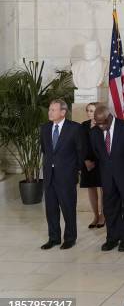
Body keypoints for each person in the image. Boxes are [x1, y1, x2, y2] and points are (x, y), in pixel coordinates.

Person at [90, 105, 124, 252]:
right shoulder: (94, 132)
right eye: (97, 123)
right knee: (109, 209)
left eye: (102, 123)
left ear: (109, 117)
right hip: (107, 177)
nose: (100, 126)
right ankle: (112, 238)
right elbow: (98, 154)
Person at [40, 99, 84, 250]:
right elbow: (45, 150)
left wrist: (74, 170)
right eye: (50, 109)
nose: (50, 112)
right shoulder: (44, 128)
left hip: (66, 176)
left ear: (63, 112)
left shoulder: (75, 128)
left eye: (53, 110)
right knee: (51, 208)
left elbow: (80, 152)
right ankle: (53, 238)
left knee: (68, 208)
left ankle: (70, 238)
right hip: (49, 175)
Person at [80, 102, 104, 229]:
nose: (91, 113)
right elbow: (80, 145)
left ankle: (103, 215)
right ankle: (95, 215)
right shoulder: (83, 125)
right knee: (91, 188)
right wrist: (85, 160)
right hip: (87, 162)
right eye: (88, 110)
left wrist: (96, 160)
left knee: (103, 189)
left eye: (93, 110)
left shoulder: (103, 125)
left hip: (101, 162)